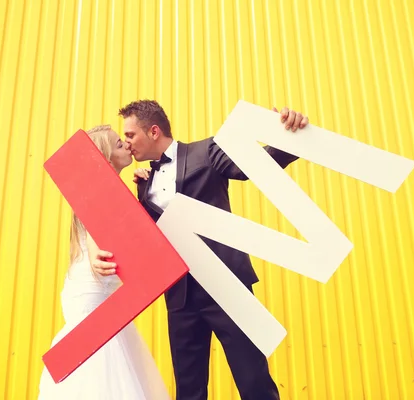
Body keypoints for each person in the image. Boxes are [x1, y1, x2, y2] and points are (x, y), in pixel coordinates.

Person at [92, 101, 309, 400]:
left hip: (226, 286)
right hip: (181, 297)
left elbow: (256, 167)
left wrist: (288, 135)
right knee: (189, 390)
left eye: (130, 135)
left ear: (153, 131)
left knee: (254, 381)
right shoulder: (144, 182)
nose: (127, 142)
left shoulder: (206, 151)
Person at [38, 125, 170, 400]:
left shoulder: (113, 189)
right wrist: (97, 249)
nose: (125, 144)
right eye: (118, 144)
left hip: (98, 292)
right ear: (104, 156)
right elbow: (95, 225)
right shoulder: (94, 191)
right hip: (94, 293)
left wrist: (145, 193)